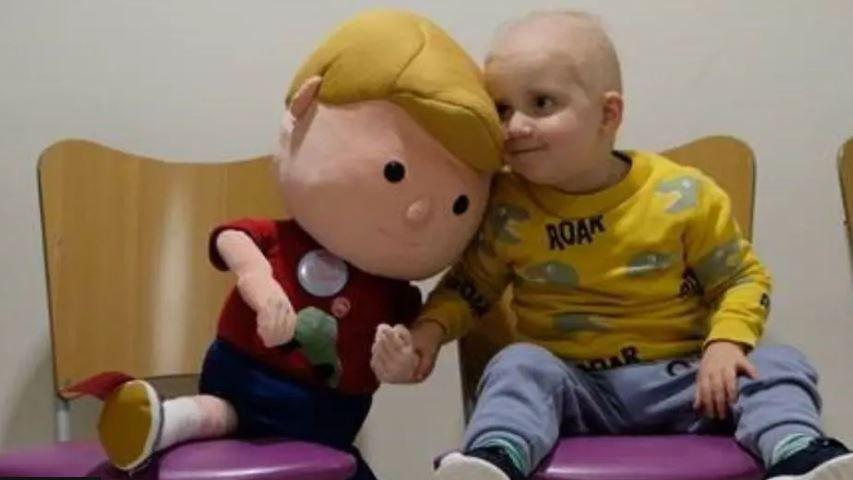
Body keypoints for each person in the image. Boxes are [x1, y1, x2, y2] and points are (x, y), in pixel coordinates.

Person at [369, 10, 853, 480]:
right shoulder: (506, 206)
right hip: (577, 393)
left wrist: (726, 343)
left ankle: (798, 456)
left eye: (541, 103)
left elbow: (743, 279)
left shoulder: (682, 196)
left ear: (608, 113)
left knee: (777, 362)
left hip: (689, 385)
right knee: (518, 364)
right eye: (501, 109)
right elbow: (469, 289)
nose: (514, 126)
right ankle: (496, 458)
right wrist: (426, 334)